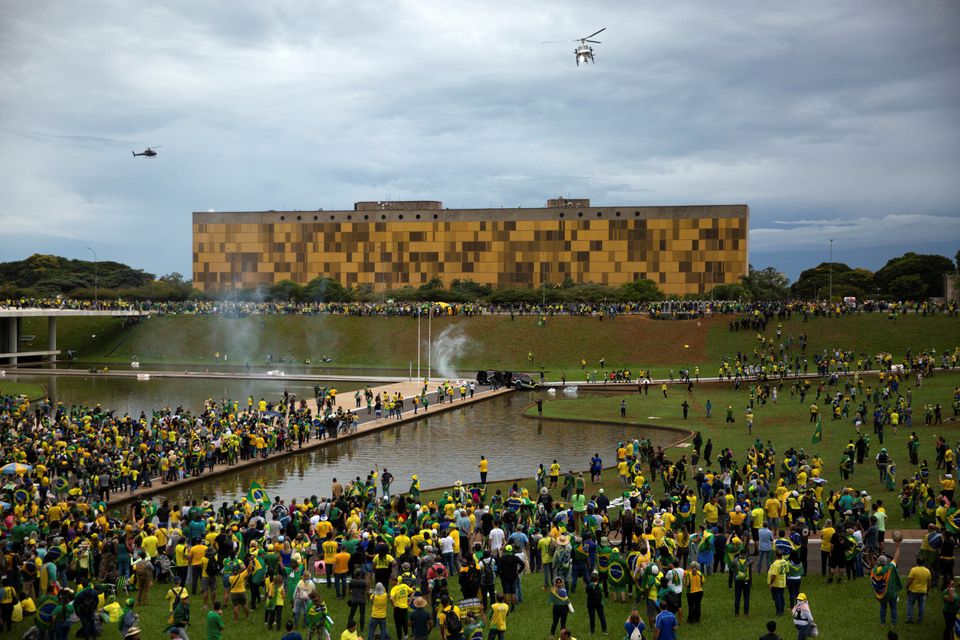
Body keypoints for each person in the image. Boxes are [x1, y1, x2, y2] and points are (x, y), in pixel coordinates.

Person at [871, 537, 903, 626]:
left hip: (882, 593)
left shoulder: (874, 571)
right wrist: (897, 547)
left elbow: (873, 568)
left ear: (878, 562)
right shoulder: (890, 567)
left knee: (883, 608)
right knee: (893, 608)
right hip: (892, 593)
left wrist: (874, 559)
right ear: (886, 562)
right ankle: (894, 623)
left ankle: (882, 623)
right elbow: (896, 557)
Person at [905, 557, 932, 624]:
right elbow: (929, 583)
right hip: (923, 591)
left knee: (910, 604)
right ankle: (920, 619)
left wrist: (907, 588)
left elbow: (909, 581)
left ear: (916, 562)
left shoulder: (913, 570)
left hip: (913, 590)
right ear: (924, 562)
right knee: (921, 606)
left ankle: (910, 618)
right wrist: (927, 591)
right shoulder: (927, 571)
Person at [768, 551, 788, 616]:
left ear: (776, 556)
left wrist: (771, 583)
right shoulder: (784, 562)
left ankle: (779, 612)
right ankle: (782, 609)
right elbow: (787, 571)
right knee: (781, 596)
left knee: (777, 598)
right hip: (783, 582)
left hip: (776, 583)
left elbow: (774, 575)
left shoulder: (775, 564)